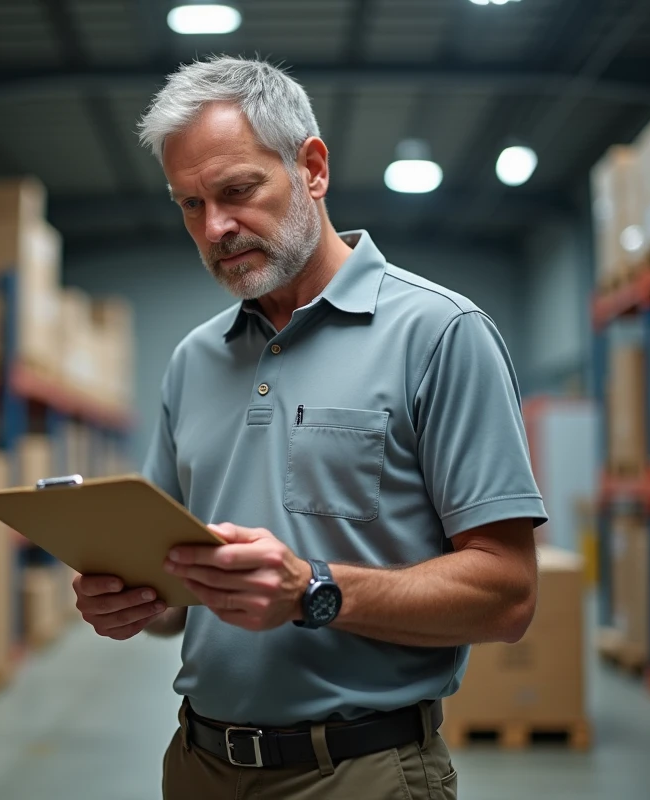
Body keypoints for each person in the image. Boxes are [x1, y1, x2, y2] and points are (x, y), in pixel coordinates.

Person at [71, 56, 546, 800]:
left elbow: (508, 594)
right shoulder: (194, 360)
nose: (215, 227)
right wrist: (134, 602)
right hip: (197, 764)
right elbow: (174, 588)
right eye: (190, 204)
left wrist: (314, 589)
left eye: (237, 191)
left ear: (312, 169)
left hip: (358, 770)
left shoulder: (440, 334)